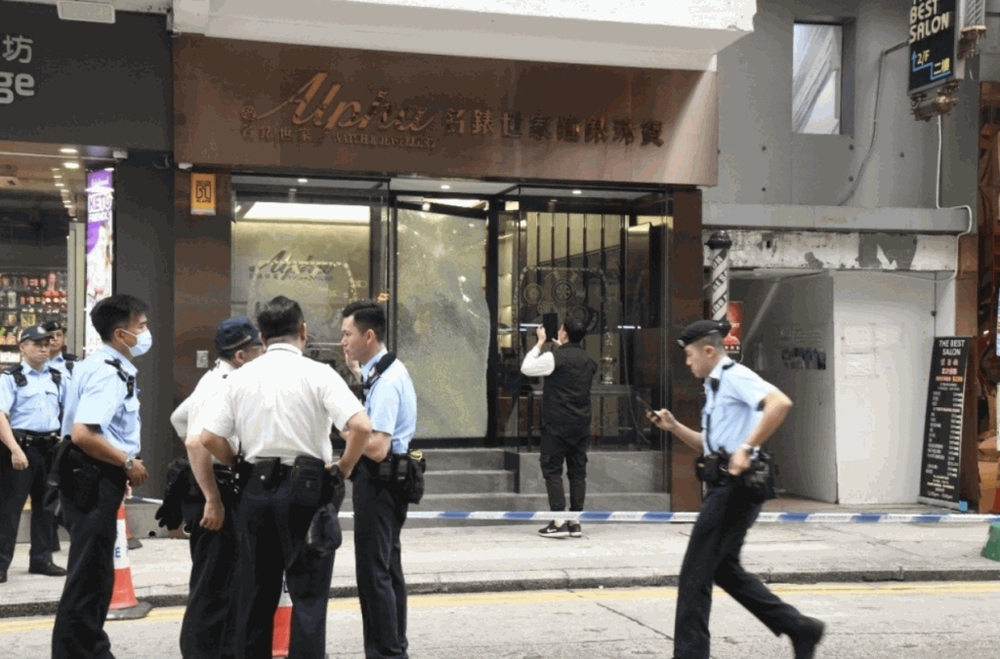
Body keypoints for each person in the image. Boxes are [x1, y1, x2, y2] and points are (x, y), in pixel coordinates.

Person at [199, 296, 371, 659]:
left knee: (254, 593)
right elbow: (360, 426)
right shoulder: (319, 374)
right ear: (303, 331)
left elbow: (209, 437)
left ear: (262, 338)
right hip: (307, 490)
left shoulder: (239, 378)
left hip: (254, 488)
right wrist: (343, 468)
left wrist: (236, 462)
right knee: (308, 594)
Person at [646, 319, 825, 659]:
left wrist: (746, 447)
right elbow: (710, 445)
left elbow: (780, 403)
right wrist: (674, 427)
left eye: (689, 356)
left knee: (695, 572)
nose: (688, 362)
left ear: (709, 351)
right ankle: (800, 628)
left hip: (735, 486)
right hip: (727, 483)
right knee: (724, 569)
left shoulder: (735, 376)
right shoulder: (716, 386)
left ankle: (690, 654)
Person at [51, 294, 151, 659]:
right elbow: (84, 433)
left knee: (90, 572)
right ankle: (83, 651)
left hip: (89, 472)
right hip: (92, 474)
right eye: (141, 326)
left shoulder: (96, 364)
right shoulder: (109, 372)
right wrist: (127, 463)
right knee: (90, 576)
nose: (146, 333)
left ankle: (81, 649)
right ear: (121, 334)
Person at [179, 317, 264, 659]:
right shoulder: (222, 385)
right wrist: (213, 496)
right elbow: (196, 442)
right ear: (242, 355)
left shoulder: (216, 379)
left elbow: (180, 418)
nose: (264, 354)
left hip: (215, 483)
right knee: (215, 586)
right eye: (259, 349)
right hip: (219, 489)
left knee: (225, 581)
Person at [341, 300, 417, 659]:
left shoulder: (386, 381)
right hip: (388, 482)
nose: (343, 341)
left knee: (374, 574)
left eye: (348, 334)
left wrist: (344, 430)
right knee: (387, 568)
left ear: (368, 336)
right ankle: (394, 647)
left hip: (380, 482)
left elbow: (376, 447)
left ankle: (386, 652)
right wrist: (357, 374)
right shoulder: (382, 372)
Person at [0, 325, 67, 583]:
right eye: (37, 344)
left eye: (46, 344)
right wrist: (14, 449)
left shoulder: (57, 377)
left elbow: (67, 412)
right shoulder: (11, 378)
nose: (43, 348)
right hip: (21, 447)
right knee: (10, 508)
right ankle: (1, 564)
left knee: (46, 507)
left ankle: (41, 559)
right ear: (22, 347)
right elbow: (1, 416)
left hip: (49, 447)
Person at [519, 318, 597, 539]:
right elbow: (576, 365)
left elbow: (526, 368)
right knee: (578, 473)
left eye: (561, 330)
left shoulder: (554, 357)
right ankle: (575, 522)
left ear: (564, 334)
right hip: (581, 424)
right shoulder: (589, 360)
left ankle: (558, 521)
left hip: (556, 425)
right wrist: (563, 347)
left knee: (552, 471)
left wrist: (539, 342)